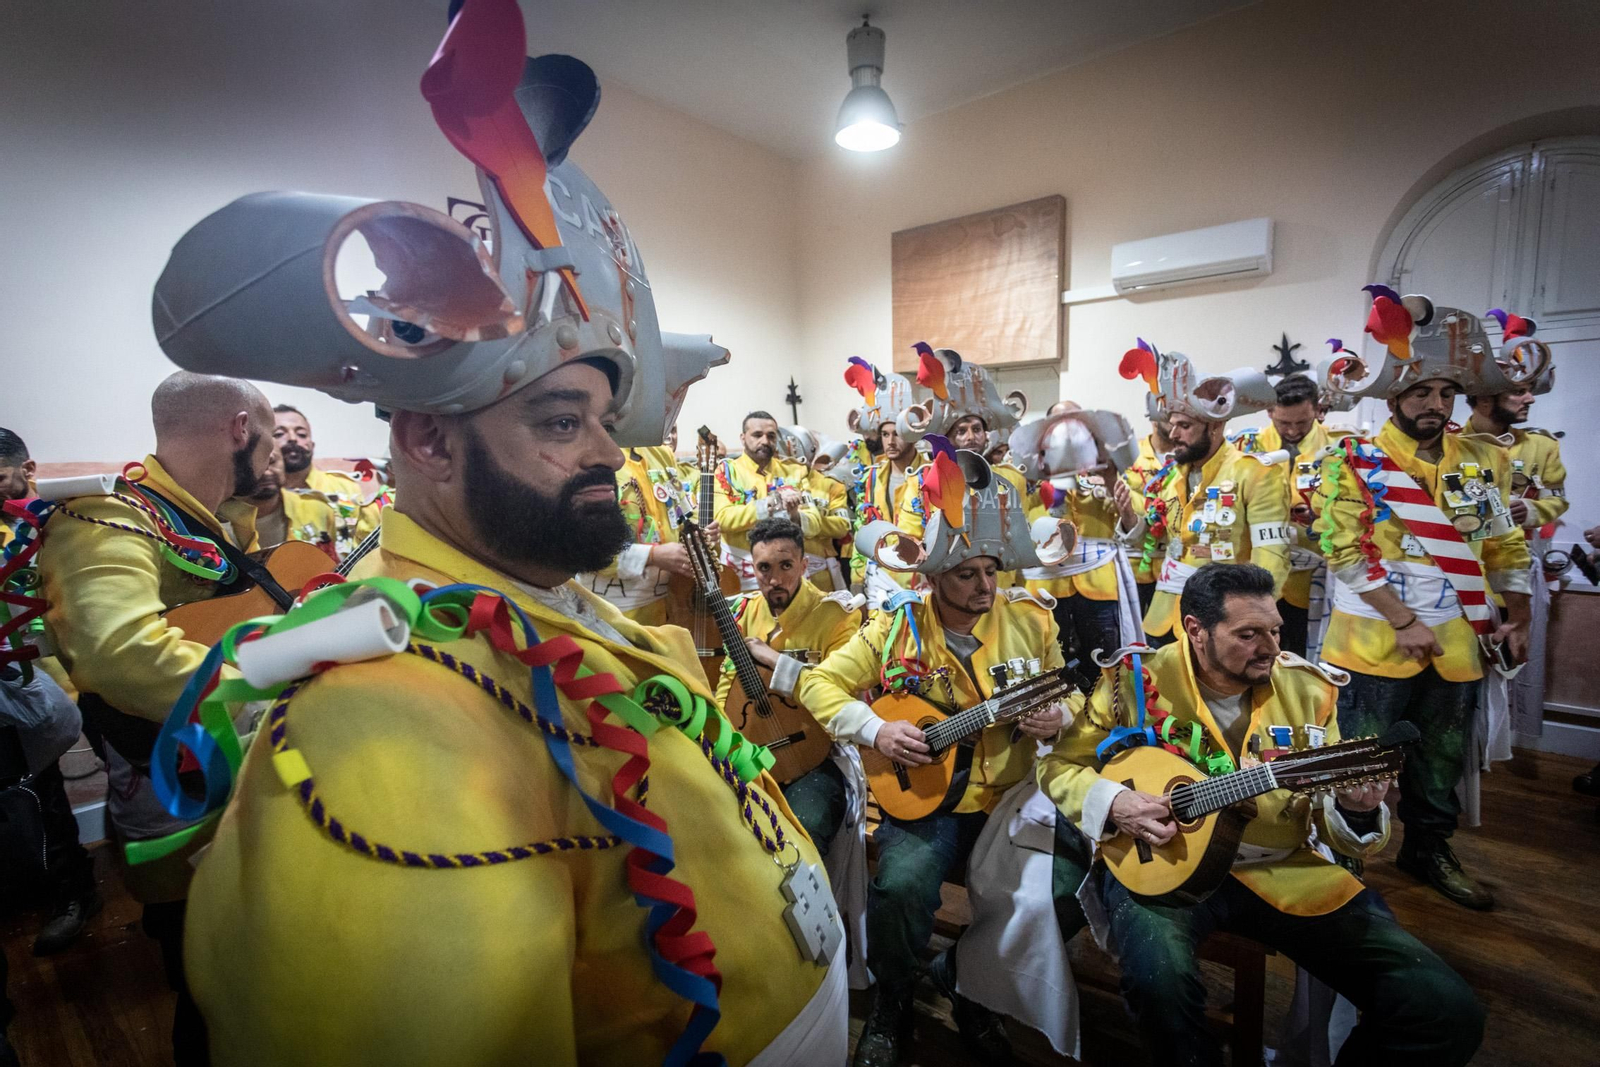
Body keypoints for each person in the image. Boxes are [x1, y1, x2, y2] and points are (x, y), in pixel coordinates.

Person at [160, 30, 845, 1064]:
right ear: (430, 440)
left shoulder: (549, 591)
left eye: (604, 420)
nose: (607, 452)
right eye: (562, 421)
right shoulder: (379, 732)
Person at [1038, 562, 1483, 1067]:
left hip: (1282, 868)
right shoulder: (1134, 681)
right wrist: (1115, 802)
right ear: (1196, 630)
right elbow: (1059, 766)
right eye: (1248, 634)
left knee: (1443, 1008)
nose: (1271, 647)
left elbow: (1331, 816)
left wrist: (1358, 811)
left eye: (1275, 630)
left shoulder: (1309, 690)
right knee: (1161, 989)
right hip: (1160, 866)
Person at [798, 446, 1075, 1067]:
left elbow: (1074, 694)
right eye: (966, 574)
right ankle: (893, 1002)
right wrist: (875, 730)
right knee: (900, 889)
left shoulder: (1032, 622)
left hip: (1012, 796)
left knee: (1061, 891)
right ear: (931, 578)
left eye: (991, 571)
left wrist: (1061, 716)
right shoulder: (895, 627)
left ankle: (970, 984)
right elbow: (819, 683)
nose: (985, 587)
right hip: (926, 800)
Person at [35, 371, 276, 1066]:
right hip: (175, 785)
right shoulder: (104, 515)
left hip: (237, 767)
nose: (271, 458)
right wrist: (281, 674)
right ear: (240, 428)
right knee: (204, 977)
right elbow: (119, 653)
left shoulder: (215, 517)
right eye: (266, 437)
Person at [1314, 290, 1534, 909]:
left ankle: (1428, 848)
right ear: (1394, 398)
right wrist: (1404, 621)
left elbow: (1504, 546)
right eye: (1421, 393)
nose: (1435, 405)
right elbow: (1343, 552)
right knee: (1361, 759)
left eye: (1445, 393)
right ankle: (1345, 854)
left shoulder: (1485, 460)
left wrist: (1519, 618)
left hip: (1459, 641)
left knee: (1441, 759)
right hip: (1373, 639)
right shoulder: (1352, 459)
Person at [1125, 342, 1291, 645]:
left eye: (1184, 426)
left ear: (1214, 426)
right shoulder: (1172, 474)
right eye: (1172, 425)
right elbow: (1155, 536)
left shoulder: (1256, 473)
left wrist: (1251, 624)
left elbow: (1271, 560)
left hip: (1221, 623)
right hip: (1163, 616)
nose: (1173, 434)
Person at [715, 518, 863, 855]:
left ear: (803, 565)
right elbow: (725, 688)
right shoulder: (744, 612)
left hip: (819, 752)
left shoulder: (837, 616)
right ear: (753, 569)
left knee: (805, 826)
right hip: (754, 749)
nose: (775, 579)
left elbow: (840, 692)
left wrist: (774, 659)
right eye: (764, 568)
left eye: (786, 566)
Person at [1018, 402, 1146, 692]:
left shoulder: (1109, 469)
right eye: (1057, 425)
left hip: (1099, 586)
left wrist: (1112, 481)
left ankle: (1106, 714)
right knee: (1049, 668)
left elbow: (1138, 528)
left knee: (1107, 669)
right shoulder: (1029, 476)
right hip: (1046, 588)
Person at [1231, 371, 1356, 656]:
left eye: (1302, 422)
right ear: (1269, 411)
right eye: (1283, 423)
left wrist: (1320, 512)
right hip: (1257, 571)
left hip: (1315, 577)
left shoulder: (1339, 447)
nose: (1292, 430)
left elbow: (1355, 506)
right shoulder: (1245, 447)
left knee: (1307, 656)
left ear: (1317, 410)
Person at [580, 441, 719, 626]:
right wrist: (652, 555)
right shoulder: (592, 455)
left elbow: (680, 509)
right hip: (615, 612)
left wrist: (697, 531)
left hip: (672, 605)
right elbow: (585, 546)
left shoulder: (662, 453)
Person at [714, 411, 850, 593]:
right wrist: (767, 505)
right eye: (757, 435)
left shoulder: (795, 471)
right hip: (741, 576)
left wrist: (795, 516)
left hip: (788, 576)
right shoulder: (726, 472)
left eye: (771, 436)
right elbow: (722, 518)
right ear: (743, 438)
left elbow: (815, 522)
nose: (764, 441)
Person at [841, 357, 919, 606]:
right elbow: (863, 528)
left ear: (912, 435)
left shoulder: (927, 474)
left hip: (917, 577)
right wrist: (857, 580)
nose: (890, 441)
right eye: (885, 434)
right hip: (878, 578)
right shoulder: (872, 477)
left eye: (897, 434)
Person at [272, 404, 383, 554]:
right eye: (279, 434)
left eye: (302, 434)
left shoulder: (344, 487)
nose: (292, 439)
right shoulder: (259, 496)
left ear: (312, 445)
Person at [775, 425, 855, 591]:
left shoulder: (830, 484)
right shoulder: (773, 482)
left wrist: (810, 522)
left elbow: (842, 526)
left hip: (821, 569)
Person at [239, 448, 342, 560]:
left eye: (272, 461)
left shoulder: (318, 508)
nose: (266, 472)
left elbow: (334, 563)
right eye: (254, 463)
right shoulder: (226, 519)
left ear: (284, 463)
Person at [1126, 408, 1174, 614]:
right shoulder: (1129, 455)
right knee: (1129, 628)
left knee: (1166, 628)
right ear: (1153, 418)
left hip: (1173, 566)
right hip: (1131, 563)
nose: (1175, 422)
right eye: (1169, 416)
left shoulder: (1189, 458)